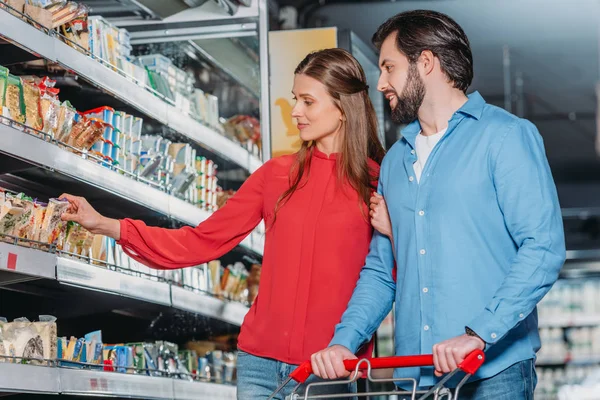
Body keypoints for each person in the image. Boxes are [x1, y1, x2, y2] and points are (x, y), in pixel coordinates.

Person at [59, 48, 392, 399]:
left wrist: (349, 345)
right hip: (260, 366)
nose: (295, 112)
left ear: (343, 108)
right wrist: (106, 225)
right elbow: (203, 240)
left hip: (329, 368)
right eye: (296, 99)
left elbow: (388, 276)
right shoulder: (276, 176)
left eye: (308, 102)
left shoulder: (378, 184)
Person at [310, 10, 566, 399]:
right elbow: (382, 271)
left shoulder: (505, 137)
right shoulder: (396, 161)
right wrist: (344, 341)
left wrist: (478, 333)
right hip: (414, 378)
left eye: (389, 67)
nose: (381, 84)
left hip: (493, 374)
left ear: (425, 62)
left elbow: (543, 248)